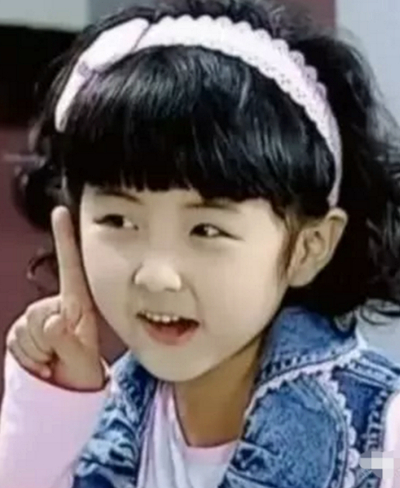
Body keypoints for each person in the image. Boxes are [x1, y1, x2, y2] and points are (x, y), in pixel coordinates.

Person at [1, 0, 400, 486]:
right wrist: (55, 403)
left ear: (309, 246)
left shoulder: (380, 437)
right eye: (119, 220)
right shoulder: (98, 415)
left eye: (206, 230)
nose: (155, 275)